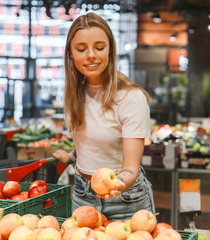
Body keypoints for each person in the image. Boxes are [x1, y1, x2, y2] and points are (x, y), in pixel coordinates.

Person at [52, 12, 155, 221]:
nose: (91, 55)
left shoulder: (131, 98)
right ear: (71, 53)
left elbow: (130, 168)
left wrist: (118, 184)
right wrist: (71, 157)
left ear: (110, 50)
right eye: (81, 49)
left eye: (99, 47)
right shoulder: (74, 94)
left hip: (125, 200)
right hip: (82, 195)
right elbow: (94, 141)